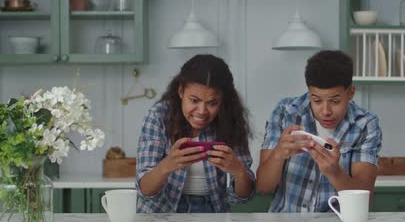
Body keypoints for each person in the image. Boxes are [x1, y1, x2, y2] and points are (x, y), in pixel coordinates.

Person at [257, 50, 382, 212]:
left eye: (335, 101)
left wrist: (335, 173)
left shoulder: (365, 124)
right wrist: (278, 154)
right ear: (309, 92)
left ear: (350, 93)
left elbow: (365, 199)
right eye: (316, 100)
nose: (325, 111)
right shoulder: (285, 112)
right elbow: (263, 187)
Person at [136, 54, 255, 213]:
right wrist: (167, 165)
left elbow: (243, 196)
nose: (201, 112)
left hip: (212, 214)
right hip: (161, 214)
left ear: (222, 100)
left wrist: (238, 170)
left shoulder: (229, 119)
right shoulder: (158, 116)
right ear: (180, 92)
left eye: (212, 103)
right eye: (194, 100)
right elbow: (144, 190)